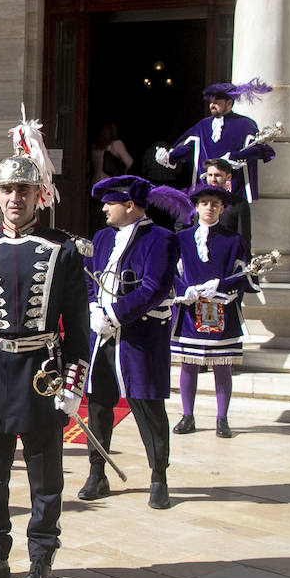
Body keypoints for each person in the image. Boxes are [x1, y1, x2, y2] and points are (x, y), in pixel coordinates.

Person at [0, 122, 90, 578]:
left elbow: (78, 324)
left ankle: (41, 556)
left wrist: (73, 380)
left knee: (45, 475)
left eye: (24, 190)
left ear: (38, 195)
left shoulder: (62, 250)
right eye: (7, 189)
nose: (15, 198)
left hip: (40, 374)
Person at [81, 175, 183, 510]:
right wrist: (93, 307)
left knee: (147, 405)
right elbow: (88, 277)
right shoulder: (100, 237)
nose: (104, 208)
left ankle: (159, 477)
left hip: (139, 337)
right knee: (98, 404)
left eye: (110, 202)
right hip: (103, 338)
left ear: (129, 205)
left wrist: (114, 314)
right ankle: (97, 473)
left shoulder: (161, 239)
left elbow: (154, 288)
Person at [171, 182, 260, 439]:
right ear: (196, 207)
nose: (209, 208)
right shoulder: (181, 239)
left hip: (222, 309)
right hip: (190, 310)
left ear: (222, 208)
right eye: (204, 203)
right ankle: (188, 415)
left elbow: (246, 276)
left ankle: (223, 419)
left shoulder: (234, 241)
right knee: (189, 364)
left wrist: (221, 286)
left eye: (215, 204)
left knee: (223, 365)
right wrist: (183, 290)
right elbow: (169, 272)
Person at [156, 79, 276, 211]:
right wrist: (169, 157)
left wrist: (236, 156)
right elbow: (188, 148)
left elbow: (261, 150)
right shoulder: (203, 125)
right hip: (207, 192)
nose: (212, 106)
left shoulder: (246, 124)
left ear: (229, 103)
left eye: (217, 103)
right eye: (211, 103)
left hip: (234, 192)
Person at [201, 158, 250, 245]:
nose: (213, 179)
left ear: (228, 177)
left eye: (217, 175)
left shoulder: (239, 204)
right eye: (210, 175)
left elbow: (244, 239)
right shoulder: (197, 201)